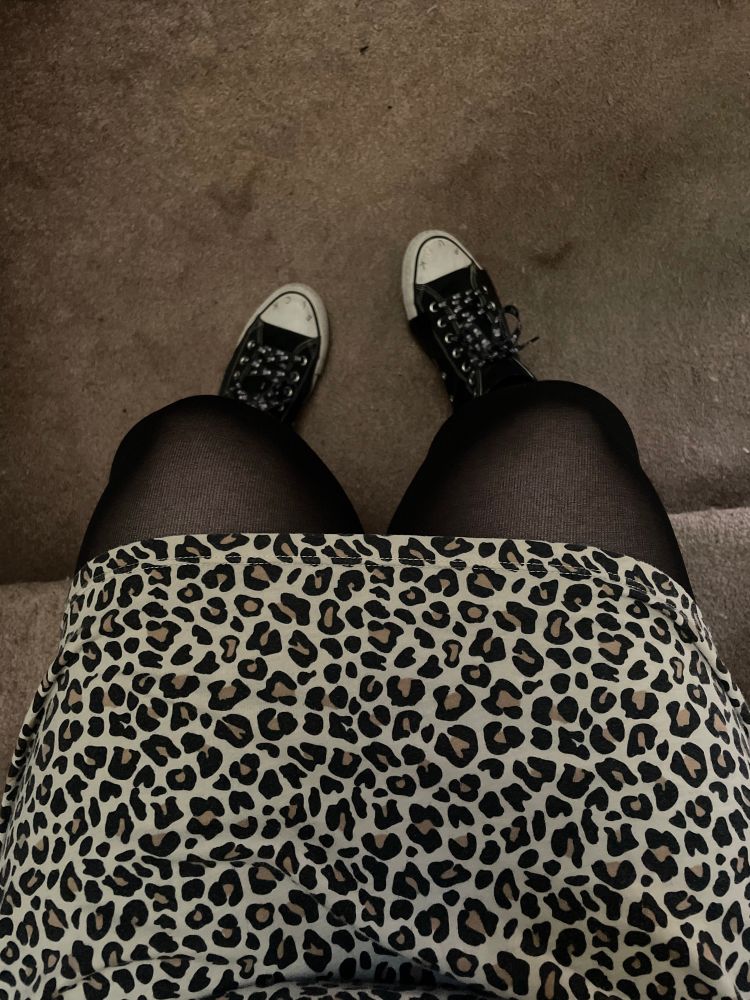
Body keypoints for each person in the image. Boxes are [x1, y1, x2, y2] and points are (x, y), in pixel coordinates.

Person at [0, 230, 746, 1000]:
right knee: (556, 432)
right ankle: (496, 383)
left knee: (193, 446)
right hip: (608, 937)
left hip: (151, 942)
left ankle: (256, 436)